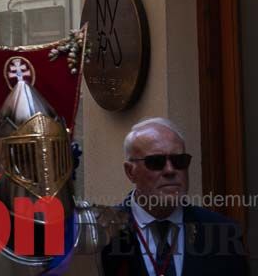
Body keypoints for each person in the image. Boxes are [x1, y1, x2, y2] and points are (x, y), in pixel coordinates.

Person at [102, 118, 248, 276]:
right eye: (156, 162)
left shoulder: (223, 234)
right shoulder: (102, 235)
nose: (170, 170)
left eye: (179, 161)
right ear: (131, 172)